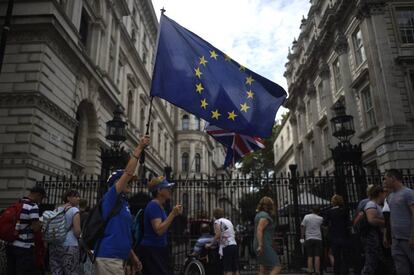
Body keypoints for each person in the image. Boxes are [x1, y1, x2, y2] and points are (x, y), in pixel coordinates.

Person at [94, 135, 149, 275]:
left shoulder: (124, 203)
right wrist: (139, 148)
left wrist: (133, 257)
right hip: (109, 257)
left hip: (120, 258)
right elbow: (128, 172)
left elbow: (123, 234)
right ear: (117, 183)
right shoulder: (111, 196)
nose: (130, 182)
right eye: (127, 181)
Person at [138, 176, 183, 275]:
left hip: (159, 249)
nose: (169, 190)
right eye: (167, 188)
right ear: (159, 190)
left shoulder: (159, 206)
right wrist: (172, 214)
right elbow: (159, 230)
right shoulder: (153, 205)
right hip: (152, 251)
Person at [6, 185, 46, 275]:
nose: (41, 201)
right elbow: (36, 228)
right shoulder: (32, 206)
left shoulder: (18, 203)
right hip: (24, 247)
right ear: (38, 195)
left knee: (11, 271)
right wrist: (41, 223)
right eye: (42, 198)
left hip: (11, 244)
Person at [383, 169, 414, 275]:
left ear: (393, 178)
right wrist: (387, 235)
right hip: (395, 239)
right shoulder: (390, 196)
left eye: (386, 179)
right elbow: (391, 216)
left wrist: (412, 235)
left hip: (408, 237)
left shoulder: (408, 193)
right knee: (401, 268)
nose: (384, 182)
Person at [48, 189, 81, 275]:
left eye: (79, 196)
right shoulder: (74, 210)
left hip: (54, 245)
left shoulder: (56, 210)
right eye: (76, 196)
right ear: (68, 198)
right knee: (71, 270)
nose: (78, 198)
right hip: (69, 245)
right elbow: (77, 232)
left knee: (56, 271)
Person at [361, 185, 386, 275]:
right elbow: (371, 220)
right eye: (384, 193)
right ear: (380, 193)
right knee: (372, 261)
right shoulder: (371, 204)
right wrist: (387, 222)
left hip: (376, 236)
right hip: (372, 236)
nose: (385, 195)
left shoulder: (376, 204)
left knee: (376, 261)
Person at [254, 196, 281, 275]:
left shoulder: (259, 214)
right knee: (277, 266)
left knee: (263, 268)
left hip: (260, 243)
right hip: (263, 244)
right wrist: (261, 245)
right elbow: (259, 229)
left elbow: (266, 232)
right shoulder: (265, 216)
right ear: (270, 205)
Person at [324, 194, 350, 275]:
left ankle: (337, 272)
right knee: (345, 257)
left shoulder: (330, 211)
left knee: (336, 257)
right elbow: (348, 223)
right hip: (344, 235)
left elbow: (325, 223)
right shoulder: (344, 210)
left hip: (334, 236)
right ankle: (346, 272)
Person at [212, 208, 240, 275]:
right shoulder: (228, 221)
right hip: (234, 245)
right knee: (235, 269)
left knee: (228, 269)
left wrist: (211, 243)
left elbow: (218, 234)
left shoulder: (217, 222)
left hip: (227, 246)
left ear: (214, 215)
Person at [301, 207, 323, 275]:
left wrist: (302, 236)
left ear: (311, 210)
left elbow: (302, 226)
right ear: (318, 212)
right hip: (318, 238)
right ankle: (317, 271)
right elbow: (322, 227)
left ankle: (310, 271)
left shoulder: (306, 217)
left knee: (309, 256)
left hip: (309, 238)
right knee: (317, 256)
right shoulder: (320, 218)